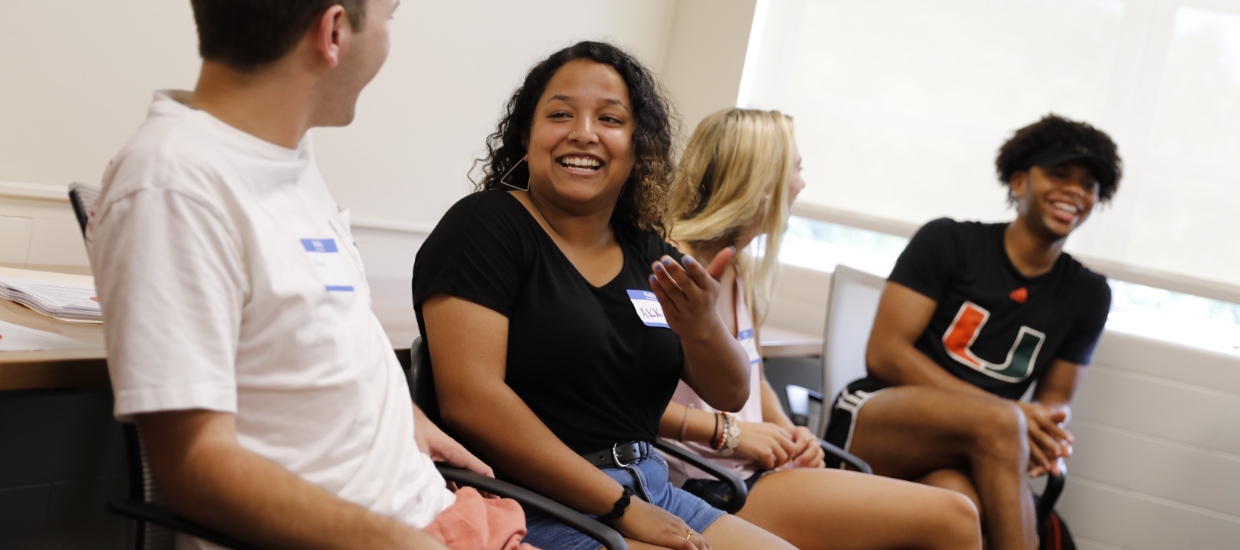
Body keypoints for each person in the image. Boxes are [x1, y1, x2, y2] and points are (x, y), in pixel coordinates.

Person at [88, 1, 532, 549]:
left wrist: (397, 417)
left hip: (448, 514)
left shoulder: (284, 158)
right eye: (389, 18)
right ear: (334, 31)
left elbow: (303, 340)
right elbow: (194, 467)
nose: (390, 38)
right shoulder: (172, 182)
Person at [413, 42, 795, 550]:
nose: (584, 133)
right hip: (529, 505)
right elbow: (473, 403)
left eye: (610, 119)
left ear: (638, 146)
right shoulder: (484, 226)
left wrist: (703, 327)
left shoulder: (648, 251)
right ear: (527, 135)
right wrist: (619, 508)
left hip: (651, 489)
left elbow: (729, 394)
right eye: (560, 114)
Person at [659, 107, 981, 550]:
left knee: (954, 489)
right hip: (706, 484)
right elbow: (625, 402)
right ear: (761, 181)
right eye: (797, 168)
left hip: (755, 467)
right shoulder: (669, 268)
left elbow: (755, 378)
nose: (802, 184)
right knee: (955, 517)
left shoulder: (741, 270)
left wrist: (791, 429)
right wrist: (734, 433)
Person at [822, 114, 1121, 550]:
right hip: (878, 415)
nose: (1076, 190)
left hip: (977, 445)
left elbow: (1055, 400)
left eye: (1089, 183)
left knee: (959, 502)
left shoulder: (1089, 293)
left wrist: (1045, 428)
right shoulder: (948, 241)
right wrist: (1008, 417)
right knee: (1001, 421)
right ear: (1019, 182)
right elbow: (885, 353)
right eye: (1059, 174)